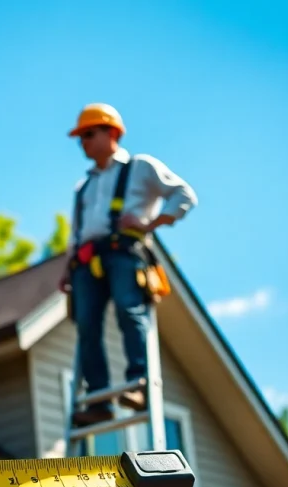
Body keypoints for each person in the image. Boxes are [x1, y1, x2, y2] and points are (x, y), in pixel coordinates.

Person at [59, 103, 197, 427]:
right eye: (80, 137)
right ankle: (100, 402)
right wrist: (67, 268)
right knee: (87, 326)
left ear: (112, 133)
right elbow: (76, 231)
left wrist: (150, 224)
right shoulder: (83, 187)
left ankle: (139, 384)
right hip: (86, 263)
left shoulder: (140, 167)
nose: (83, 143)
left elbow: (184, 195)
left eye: (89, 134)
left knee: (128, 309)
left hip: (124, 252)